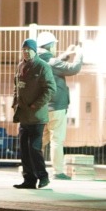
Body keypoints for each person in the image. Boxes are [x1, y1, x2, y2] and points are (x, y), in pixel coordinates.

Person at [36, 31, 83, 179]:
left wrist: (66, 54)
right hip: (56, 107)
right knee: (56, 140)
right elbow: (73, 68)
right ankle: (58, 171)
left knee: (40, 141)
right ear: (49, 46)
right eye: (54, 45)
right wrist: (79, 54)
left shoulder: (35, 62)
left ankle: (33, 167)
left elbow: (53, 62)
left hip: (41, 108)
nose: (55, 48)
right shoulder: (53, 63)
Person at [11, 37, 55, 189]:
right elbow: (17, 86)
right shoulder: (20, 66)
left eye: (28, 50)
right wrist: (15, 101)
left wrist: (36, 104)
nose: (26, 53)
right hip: (23, 115)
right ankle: (29, 179)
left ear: (35, 51)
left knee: (35, 149)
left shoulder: (43, 66)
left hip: (37, 116)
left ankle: (43, 177)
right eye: (23, 50)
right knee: (24, 149)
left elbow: (50, 89)